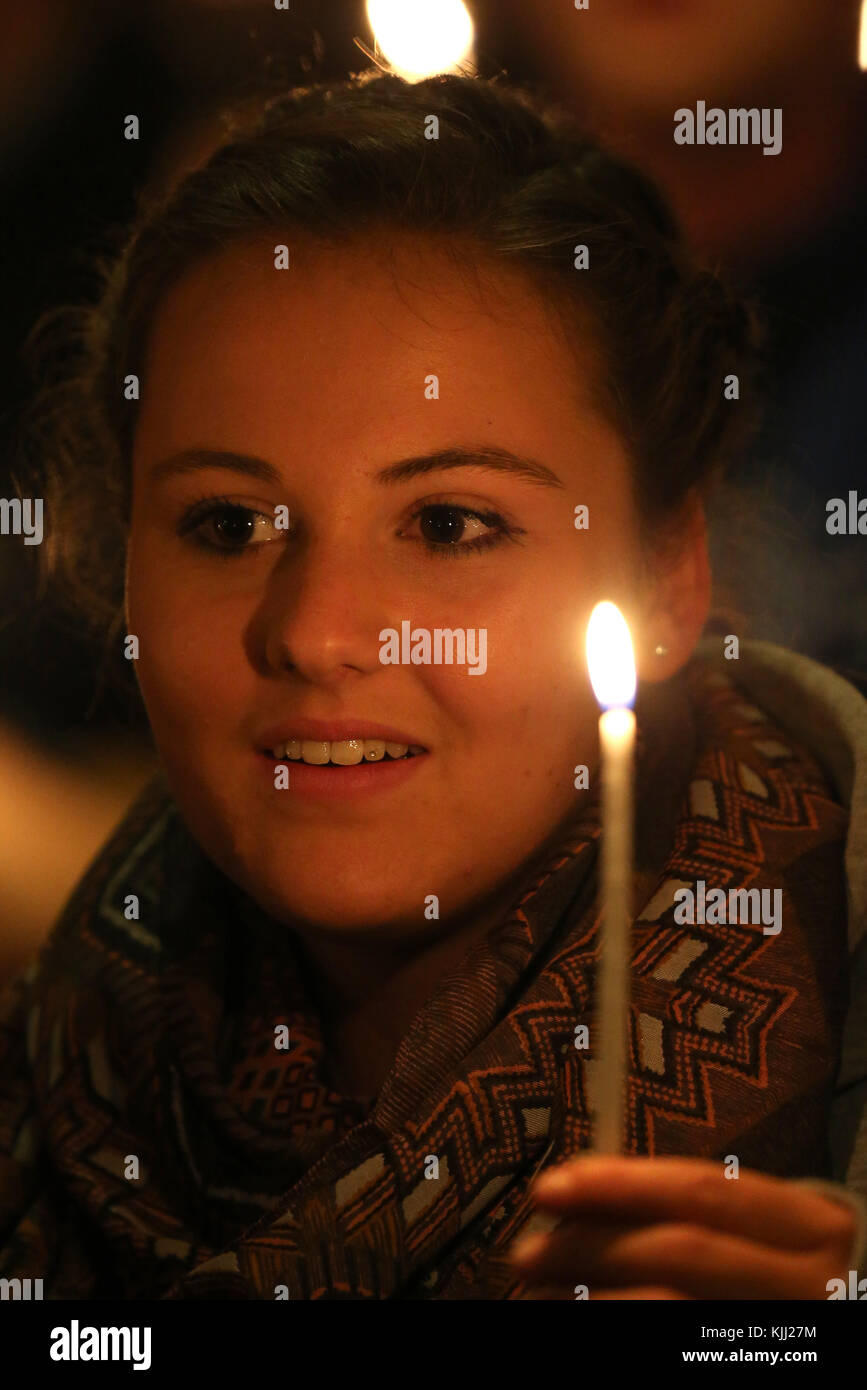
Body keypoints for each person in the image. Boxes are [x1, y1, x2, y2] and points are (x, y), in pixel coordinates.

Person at [0, 71, 864, 1301]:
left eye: (452, 524)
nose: (317, 632)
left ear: (671, 576)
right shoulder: (59, 1085)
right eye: (229, 522)